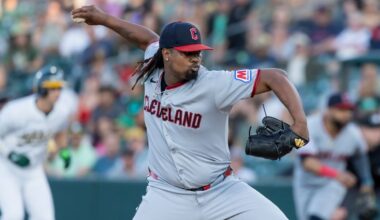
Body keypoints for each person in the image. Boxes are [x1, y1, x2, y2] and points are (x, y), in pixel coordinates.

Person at [72, 6, 309, 220]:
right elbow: (147, 38)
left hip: (221, 191)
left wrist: (300, 124)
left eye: (198, 52)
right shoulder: (154, 64)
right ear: (167, 54)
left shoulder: (214, 84)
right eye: (188, 53)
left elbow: (277, 77)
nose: (195, 59)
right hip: (166, 195)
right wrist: (104, 19)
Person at [0, 65, 73, 220]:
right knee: (13, 214)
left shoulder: (61, 111)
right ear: (41, 88)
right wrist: (10, 154)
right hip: (6, 168)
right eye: (52, 88)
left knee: (45, 217)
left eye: (59, 88)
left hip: (34, 170)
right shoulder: (17, 110)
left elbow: (60, 132)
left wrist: (64, 151)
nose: (57, 92)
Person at [293, 93, 375, 220]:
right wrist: (338, 175)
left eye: (349, 110)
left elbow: (360, 157)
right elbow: (307, 163)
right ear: (329, 110)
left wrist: (366, 181)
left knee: (317, 217)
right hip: (305, 183)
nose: (346, 114)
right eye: (341, 109)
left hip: (332, 184)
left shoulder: (353, 133)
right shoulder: (310, 127)